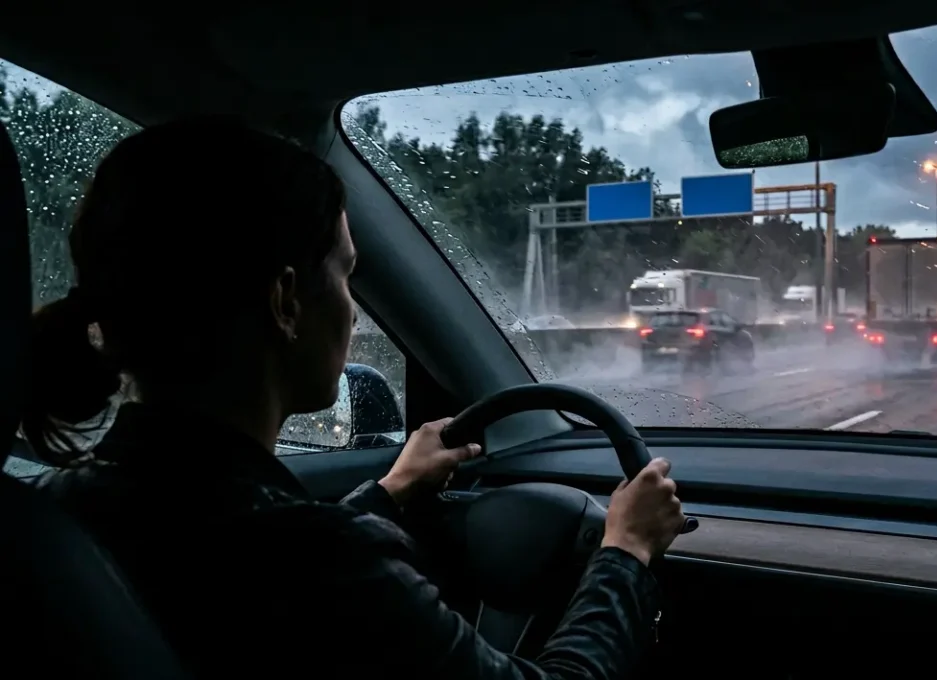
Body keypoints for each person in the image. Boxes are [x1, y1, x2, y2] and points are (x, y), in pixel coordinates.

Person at [22, 117, 688, 679]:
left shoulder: (53, 509)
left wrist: (389, 493)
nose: (350, 304)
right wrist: (626, 552)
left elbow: (251, 553)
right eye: (346, 275)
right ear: (285, 302)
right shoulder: (324, 564)